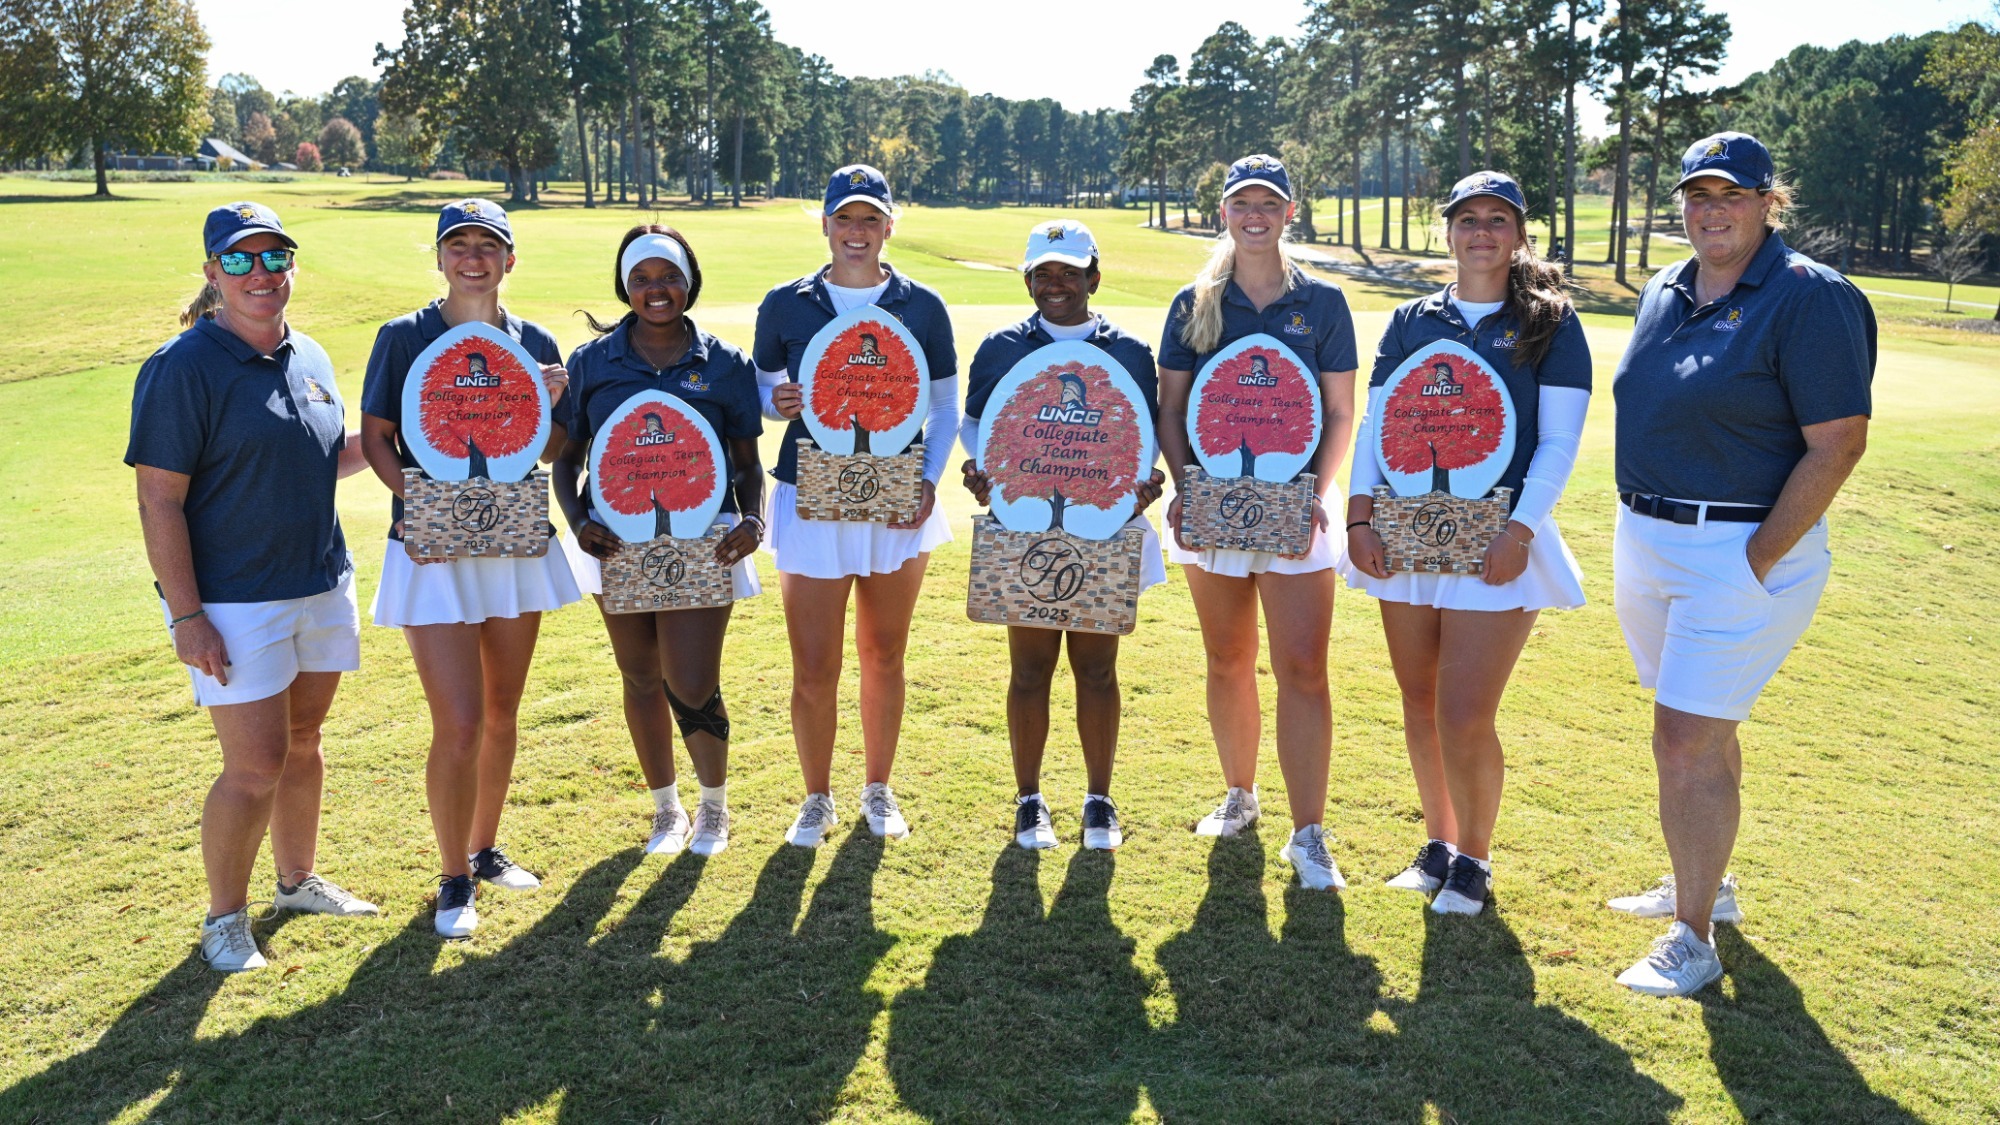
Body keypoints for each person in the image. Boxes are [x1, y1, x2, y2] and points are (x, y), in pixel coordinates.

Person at [1606, 132, 1872, 996]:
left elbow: (1837, 445)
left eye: (1732, 195)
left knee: (1682, 736)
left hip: (1739, 546)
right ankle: (1705, 887)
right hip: (1648, 536)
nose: (1712, 210)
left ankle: (1691, 938)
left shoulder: (1807, 296)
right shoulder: (1666, 286)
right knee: (1701, 729)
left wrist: (1754, 559)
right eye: (1697, 195)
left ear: (1768, 202)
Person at [128, 202, 379, 972]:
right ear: (212, 273)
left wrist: (418, 426)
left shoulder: (310, 356)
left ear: (292, 267)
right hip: (236, 600)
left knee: (305, 743)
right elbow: (158, 497)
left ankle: (296, 880)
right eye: (239, 261)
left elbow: (323, 457)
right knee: (255, 763)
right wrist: (186, 615)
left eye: (274, 257)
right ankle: (224, 919)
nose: (260, 274)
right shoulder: (183, 367)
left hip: (319, 579)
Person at [1341, 171, 1593, 917]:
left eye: (1497, 219)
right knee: (1419, 700)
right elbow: (1375, 428)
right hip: (1408, 532)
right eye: (1467, 219)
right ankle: (1441, 845)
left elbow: (1559, 442)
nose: (1481, 232)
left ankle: (1476, 862)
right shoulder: (1411, 320)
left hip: (1497, 540)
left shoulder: (1551, 321)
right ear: (1446, 231)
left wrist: (1521, 528)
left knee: (1463, 711)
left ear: (1518, 234)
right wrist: (1359, 517)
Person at [358, 199, 580, 939]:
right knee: (457, 721)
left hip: (514, 541)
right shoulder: (403, 337)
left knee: (500, 712)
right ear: (441, 256)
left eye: (490, 244)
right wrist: (424, 508)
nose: (474, 257)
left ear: (510, 259)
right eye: (460, 244)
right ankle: (453, 875)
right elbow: (380, 439)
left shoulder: (535, 340)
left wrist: (551, 401)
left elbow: (548, 453)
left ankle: (484, 848)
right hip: (434, 547)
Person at [1156, 155, 1359, 890]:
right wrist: (1186, 489)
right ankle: (1240, 796)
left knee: (1304, 669)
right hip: (1212, 506)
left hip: (1299, 504)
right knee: (1227, 658)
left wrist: (1314, 494)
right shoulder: (1194, 302)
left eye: (1267, 202)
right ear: (1223, 212)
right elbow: (1171, 410)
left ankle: (1309, 834)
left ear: (1289, 212)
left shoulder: (1324, 302)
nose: (1254, 214)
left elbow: (1339, 412)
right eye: (1241, 202)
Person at [754, 165, 959, 846]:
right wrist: (776, 401)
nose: (857, 232)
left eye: (871, 220)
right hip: (810, 491)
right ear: (826, 224)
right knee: (814, 664)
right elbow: (764, 394)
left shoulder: (920, 305)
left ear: (889, 227)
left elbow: (944, 404)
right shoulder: (785, 303)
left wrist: (930, 478)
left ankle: (878, 788)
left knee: (884, 652)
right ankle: (816, 798)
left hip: (900, 491)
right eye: (845, 219)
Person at [551, 226, 765, 861]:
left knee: (692, 679)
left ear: (689, 280)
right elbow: (567, 461)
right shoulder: (592, 362)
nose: (656, 290)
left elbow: (748, 462)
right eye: (641, 279)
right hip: (614, 542)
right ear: (625, 287)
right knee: (640, 676)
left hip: (705, 543)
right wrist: (575, 518)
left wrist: (752, 519)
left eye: (667, 276)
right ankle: (666, 811)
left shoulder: (725, 363)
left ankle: (715, 807)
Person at [958, 220, 1168, 850]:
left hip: (1102, 522)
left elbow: (1141, 436)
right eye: (1043, 273)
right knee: (1030, 668)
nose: (1056, 285)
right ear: (1027, 278)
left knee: (1097, 669)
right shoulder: (1000, 348)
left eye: (1069, 273)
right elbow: (975, 427)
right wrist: (982, 472)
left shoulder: (1129, 351)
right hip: (1022, 522)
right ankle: (1029, 801)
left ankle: (1099, 802)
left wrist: (1144, 484)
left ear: (1093, 278)